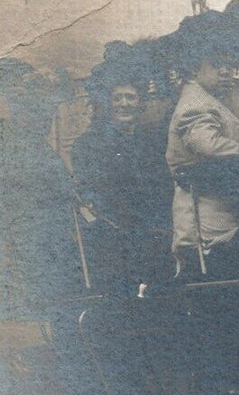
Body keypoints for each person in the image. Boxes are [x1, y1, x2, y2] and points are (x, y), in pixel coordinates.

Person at [164, 0, 239, 270]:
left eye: (228, 63)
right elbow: (208, 145)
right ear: (194, 67)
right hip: (206, 231)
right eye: (216, 64)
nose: (225, 70)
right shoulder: (194, 104)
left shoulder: (212, 101)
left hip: (221, 223)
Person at [69, 41, 173, 293]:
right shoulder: (88, 144)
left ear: (140, 103)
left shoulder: (150, 142)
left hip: (154, 231)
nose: (124, 104)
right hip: (112, 235)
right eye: (117, 98)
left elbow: (162, 187)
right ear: (106, 103)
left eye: (130, 97)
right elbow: (97, 193)